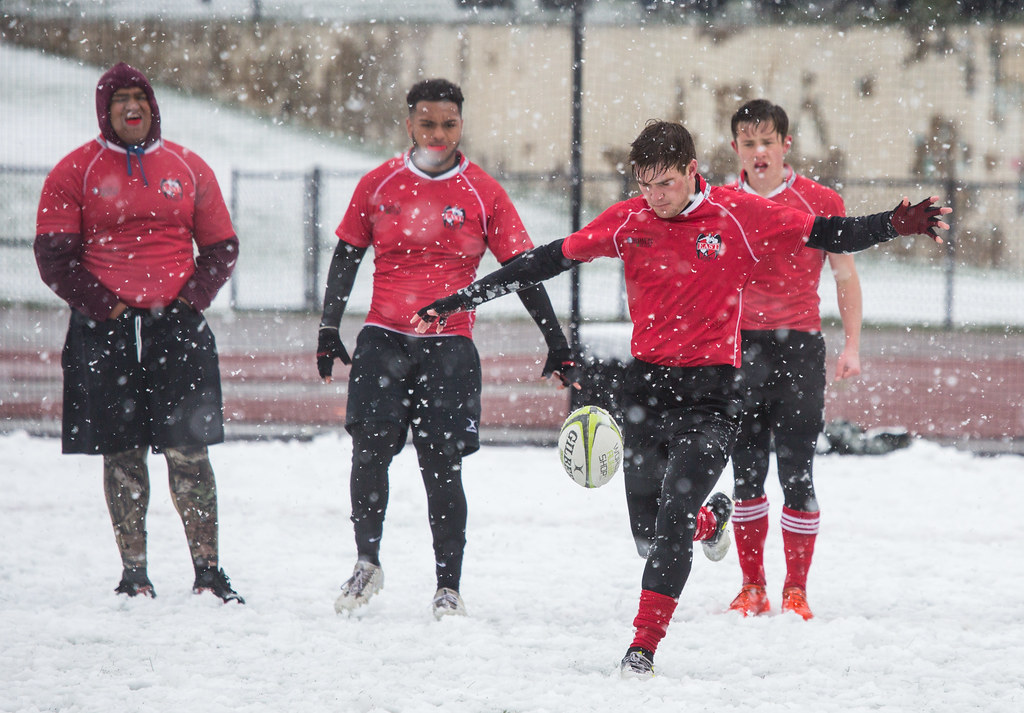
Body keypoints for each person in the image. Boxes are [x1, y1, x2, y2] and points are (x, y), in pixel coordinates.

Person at [411, 120, 949, 677]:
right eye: (645, 184)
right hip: (645, 392)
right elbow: (544, 259)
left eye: (665, 182)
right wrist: (459, 299)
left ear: (692, 170)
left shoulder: (739, 214)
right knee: (647, 537)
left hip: (713, 398)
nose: (655, 196)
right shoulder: (630, 220)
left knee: (671, 521)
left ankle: (642, 648)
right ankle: (709, 522)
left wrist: (895, 223)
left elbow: (831, 232)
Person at [316, 78, 578, 619]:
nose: (438, 134)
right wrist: (327, 327)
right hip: (383, 337)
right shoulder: (378, 183)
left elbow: (522, 270)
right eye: (428, 123)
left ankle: (448, 587)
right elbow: (347, 255)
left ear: (461, 124)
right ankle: (366, 562)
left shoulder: (483, 191)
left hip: (449, 345)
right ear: (409, 124)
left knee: (442, 465)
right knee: (369, 453)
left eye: (449, 124)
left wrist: (555, 340)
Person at [34, 62, 243, 603]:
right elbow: (54, 258)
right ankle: (135, 574)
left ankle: (208, 571)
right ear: (104, 110)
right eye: (120, 99)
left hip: (176, 327)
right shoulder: (74, 171)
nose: (133, 107)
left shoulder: (187, 166)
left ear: (153, 105)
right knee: (121, 452)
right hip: (105, 331)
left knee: (189, 450)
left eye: (140, 97)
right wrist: (108, 308)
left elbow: (221, 247)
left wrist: (188, 302)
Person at [723, 98, 863, 620]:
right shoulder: (720, 202)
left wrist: (852, 345)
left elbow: (844, 274)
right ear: (735, 147)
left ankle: (796, 590)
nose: (759, 152)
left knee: (798, 473)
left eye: (768, 141)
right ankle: (752, 586)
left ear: (786, 145)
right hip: (738, 349)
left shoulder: (820, 200)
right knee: (746, 472)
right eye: (748, 143)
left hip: (799, 349)